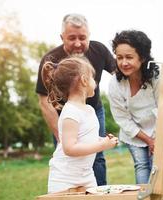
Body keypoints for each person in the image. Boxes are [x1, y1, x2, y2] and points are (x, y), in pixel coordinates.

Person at [35, 13, 116, 186]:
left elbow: (120, 74)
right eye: (72, 38)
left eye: (82, 38)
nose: (78, 43)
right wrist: (62, 135)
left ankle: (98, 192)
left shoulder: (99, 50)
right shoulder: (51, 60)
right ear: (62, 37)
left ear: (89, 36)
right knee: (69, 153)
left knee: (96, 156)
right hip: (63, 115)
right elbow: (44, 101)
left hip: (92, 109)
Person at [42, 56, 118, 193]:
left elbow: (86, 139)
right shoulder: (70, 112)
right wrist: (102, 145)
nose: (95, 82)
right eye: (92, 78)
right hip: (64, 179)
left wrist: (104, 140)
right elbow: (69, 148)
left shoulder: (89, 110)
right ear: (84, 80)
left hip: (86, 176)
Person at [108, 30, 159, 184]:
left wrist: (156, 139)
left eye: (129, 57)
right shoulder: (115, 84)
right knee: (142, 166)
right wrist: (148, 140)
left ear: (142, 57)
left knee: (159, 167)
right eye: (119, 57)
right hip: (134, 133)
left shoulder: (156, 78)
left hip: (158, 129)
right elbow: (122, 119)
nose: (124, 62)